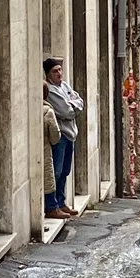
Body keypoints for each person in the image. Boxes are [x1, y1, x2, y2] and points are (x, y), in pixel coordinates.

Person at [43, 58, 84, 219]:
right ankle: (52, 206)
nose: (59, 73)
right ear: (48, 74)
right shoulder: (50, 90)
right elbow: (66, 111)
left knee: (65, 170)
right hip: (60, 135)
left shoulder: (65, 86)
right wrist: (73, 105)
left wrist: (73, 104)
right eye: (55, 71)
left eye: (60, 70)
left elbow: (80, 101)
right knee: (57, 171)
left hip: (71, 133)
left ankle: (61, 202)